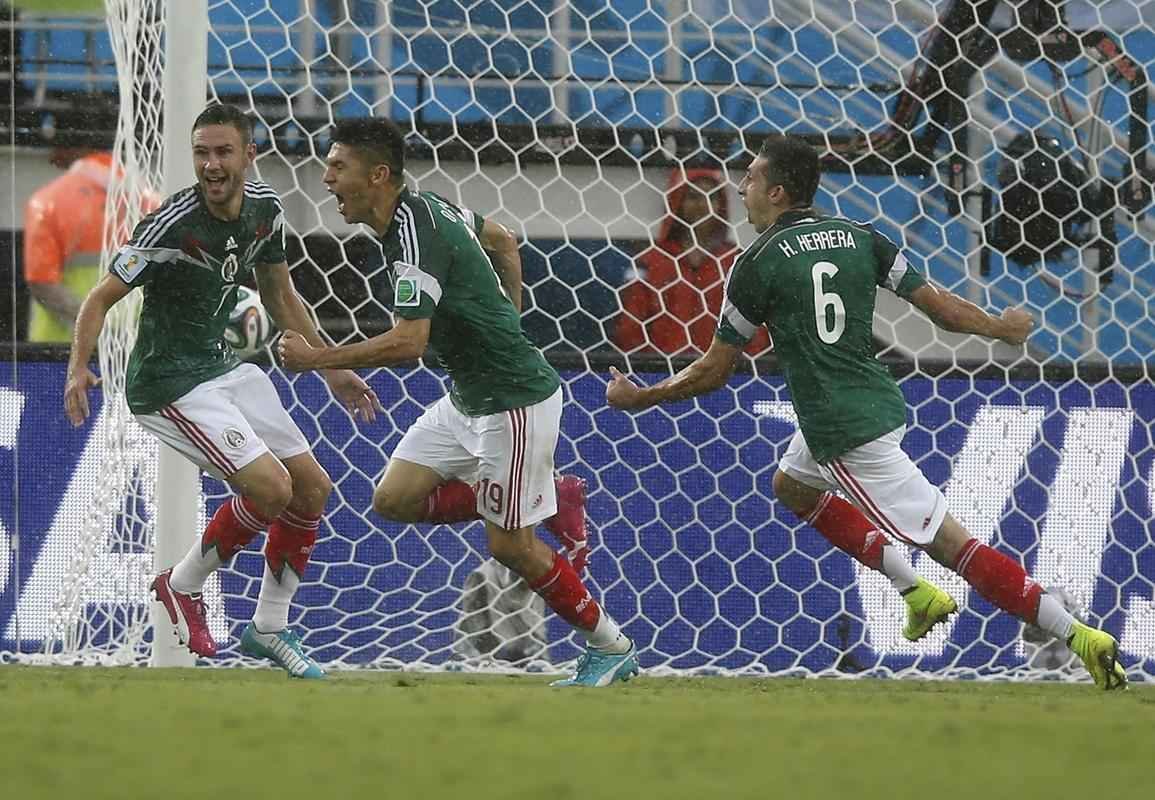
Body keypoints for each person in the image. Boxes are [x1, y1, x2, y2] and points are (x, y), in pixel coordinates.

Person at [606, 133, 1127, 690]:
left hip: (844, 428)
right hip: (873, 398)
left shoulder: (755, 264)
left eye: (752, 177)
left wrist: (643, 397)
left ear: (778, 191)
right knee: (792, 485)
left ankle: (1077, 635)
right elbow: (940, 308)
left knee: (954, 547)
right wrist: (998, 328)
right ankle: (915, 592)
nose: (742, 186)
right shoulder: (861, 237)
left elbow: (714, 369)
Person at [278, 116, 639, 688]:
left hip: (514, 401)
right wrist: (507, 316)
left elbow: (409, 341)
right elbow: (503, 240)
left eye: (337, 166)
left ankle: (609, 644)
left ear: (377, 175)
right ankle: (531, 493)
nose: (325, 178)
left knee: (510, 545)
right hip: (468, 398)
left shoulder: (415, 232)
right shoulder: (423, 209)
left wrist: (320, 359)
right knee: (393, 499)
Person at [63, 103, 379, 679]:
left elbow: (281, 298)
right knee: (271, 489)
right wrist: (77, 368)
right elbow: (100, 298)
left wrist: (331, 366)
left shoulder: (265, 209)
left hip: (225, 366)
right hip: (168, 384)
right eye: (202, 153)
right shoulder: (169, 225)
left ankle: (269, 629)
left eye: (223, 152)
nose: (211, 164)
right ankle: (182, 585)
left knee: (311, 489)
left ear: (248, 155)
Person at [614, 166, 770, 356]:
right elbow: (630, 329)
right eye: (693, 197)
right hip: (660, 372)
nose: (702, 205)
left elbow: (755, 331)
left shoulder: (738, 262)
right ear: (676, 202)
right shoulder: (650, 261)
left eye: (711, 197)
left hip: (724, 376)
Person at [23, 149, 114, 343]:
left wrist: (91, 323)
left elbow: (42, 283)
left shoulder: (47, 202)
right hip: (127, 343)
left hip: (59, 346)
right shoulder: (145, 198)